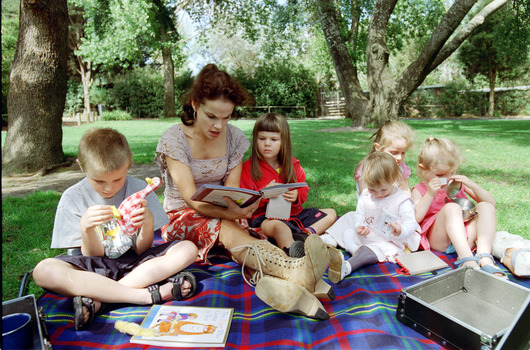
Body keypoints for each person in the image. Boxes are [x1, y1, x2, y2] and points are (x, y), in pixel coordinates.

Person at [155, 64, 332, 320]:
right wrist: (230, 214)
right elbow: (191, 200)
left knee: (243, 236)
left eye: (227, 117)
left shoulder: (235, 138)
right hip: (183, 216)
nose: (219, 125)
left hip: (224, 211)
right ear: (195, 104)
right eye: (212, 116)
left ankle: (291, 288)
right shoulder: (175, 139)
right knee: (229, 230)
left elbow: (233, 192)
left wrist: (243, 207)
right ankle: (298, 273)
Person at [32, 128, 199, 331]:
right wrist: (86, 229)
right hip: (92, 270)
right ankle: (145, 296)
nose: (108, 188)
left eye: (117, 179)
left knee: (188, 248)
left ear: (129, 162)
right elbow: (91, 256)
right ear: (81, 166)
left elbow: (142, 250)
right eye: (99, 181)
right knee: (43, 270)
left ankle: (103, 299)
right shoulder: (72, 198)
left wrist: (147, 223)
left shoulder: (140, 189)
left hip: (135, 265)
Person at [239, 113, 337, 258]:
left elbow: (303, 188)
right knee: (280, 227)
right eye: (262, 139)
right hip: (266, 219)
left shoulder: (293, 165)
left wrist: (297, 195)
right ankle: (293, 252)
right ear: (255, 140)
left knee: (331, 213)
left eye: (273, 139)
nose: (267, 143)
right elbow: (244, 199)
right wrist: (263, 194)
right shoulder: (248, 168)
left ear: (283, 141)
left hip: (295, 214)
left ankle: (305, 236)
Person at [411, 137, 505, 277]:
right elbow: (414, 219)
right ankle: (466, 259)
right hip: (439, 240)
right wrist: (430, 194)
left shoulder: (455, 184)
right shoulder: (419, 189)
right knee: (452, 208)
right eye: (440, 175)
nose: (448, 178)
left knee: (485, 206)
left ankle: (484, 255)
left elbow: (490, 202)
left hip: (464, 237)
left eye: (452, 173)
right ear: (423, 169)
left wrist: (472, 185)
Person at [322, 152, 421, 283]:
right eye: (373, 189)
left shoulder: (401, 200)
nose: (378, 194)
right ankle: (325, 241)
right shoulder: (367, 196)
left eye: (383, 190)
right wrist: (359, 227)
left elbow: (411, 223)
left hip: (387, 240)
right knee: (349, 218)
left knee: (375, 250)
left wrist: (401, 229)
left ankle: (347, 266)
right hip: (368, 233)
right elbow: (359, 214)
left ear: (393, 180)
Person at [355, 120, 414, 197]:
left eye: (403, 153)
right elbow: (365, 195)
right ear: (378, 148)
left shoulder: (400, 168)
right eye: (394, 153)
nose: (399, 158)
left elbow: (405, 191)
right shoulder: (368, 167)